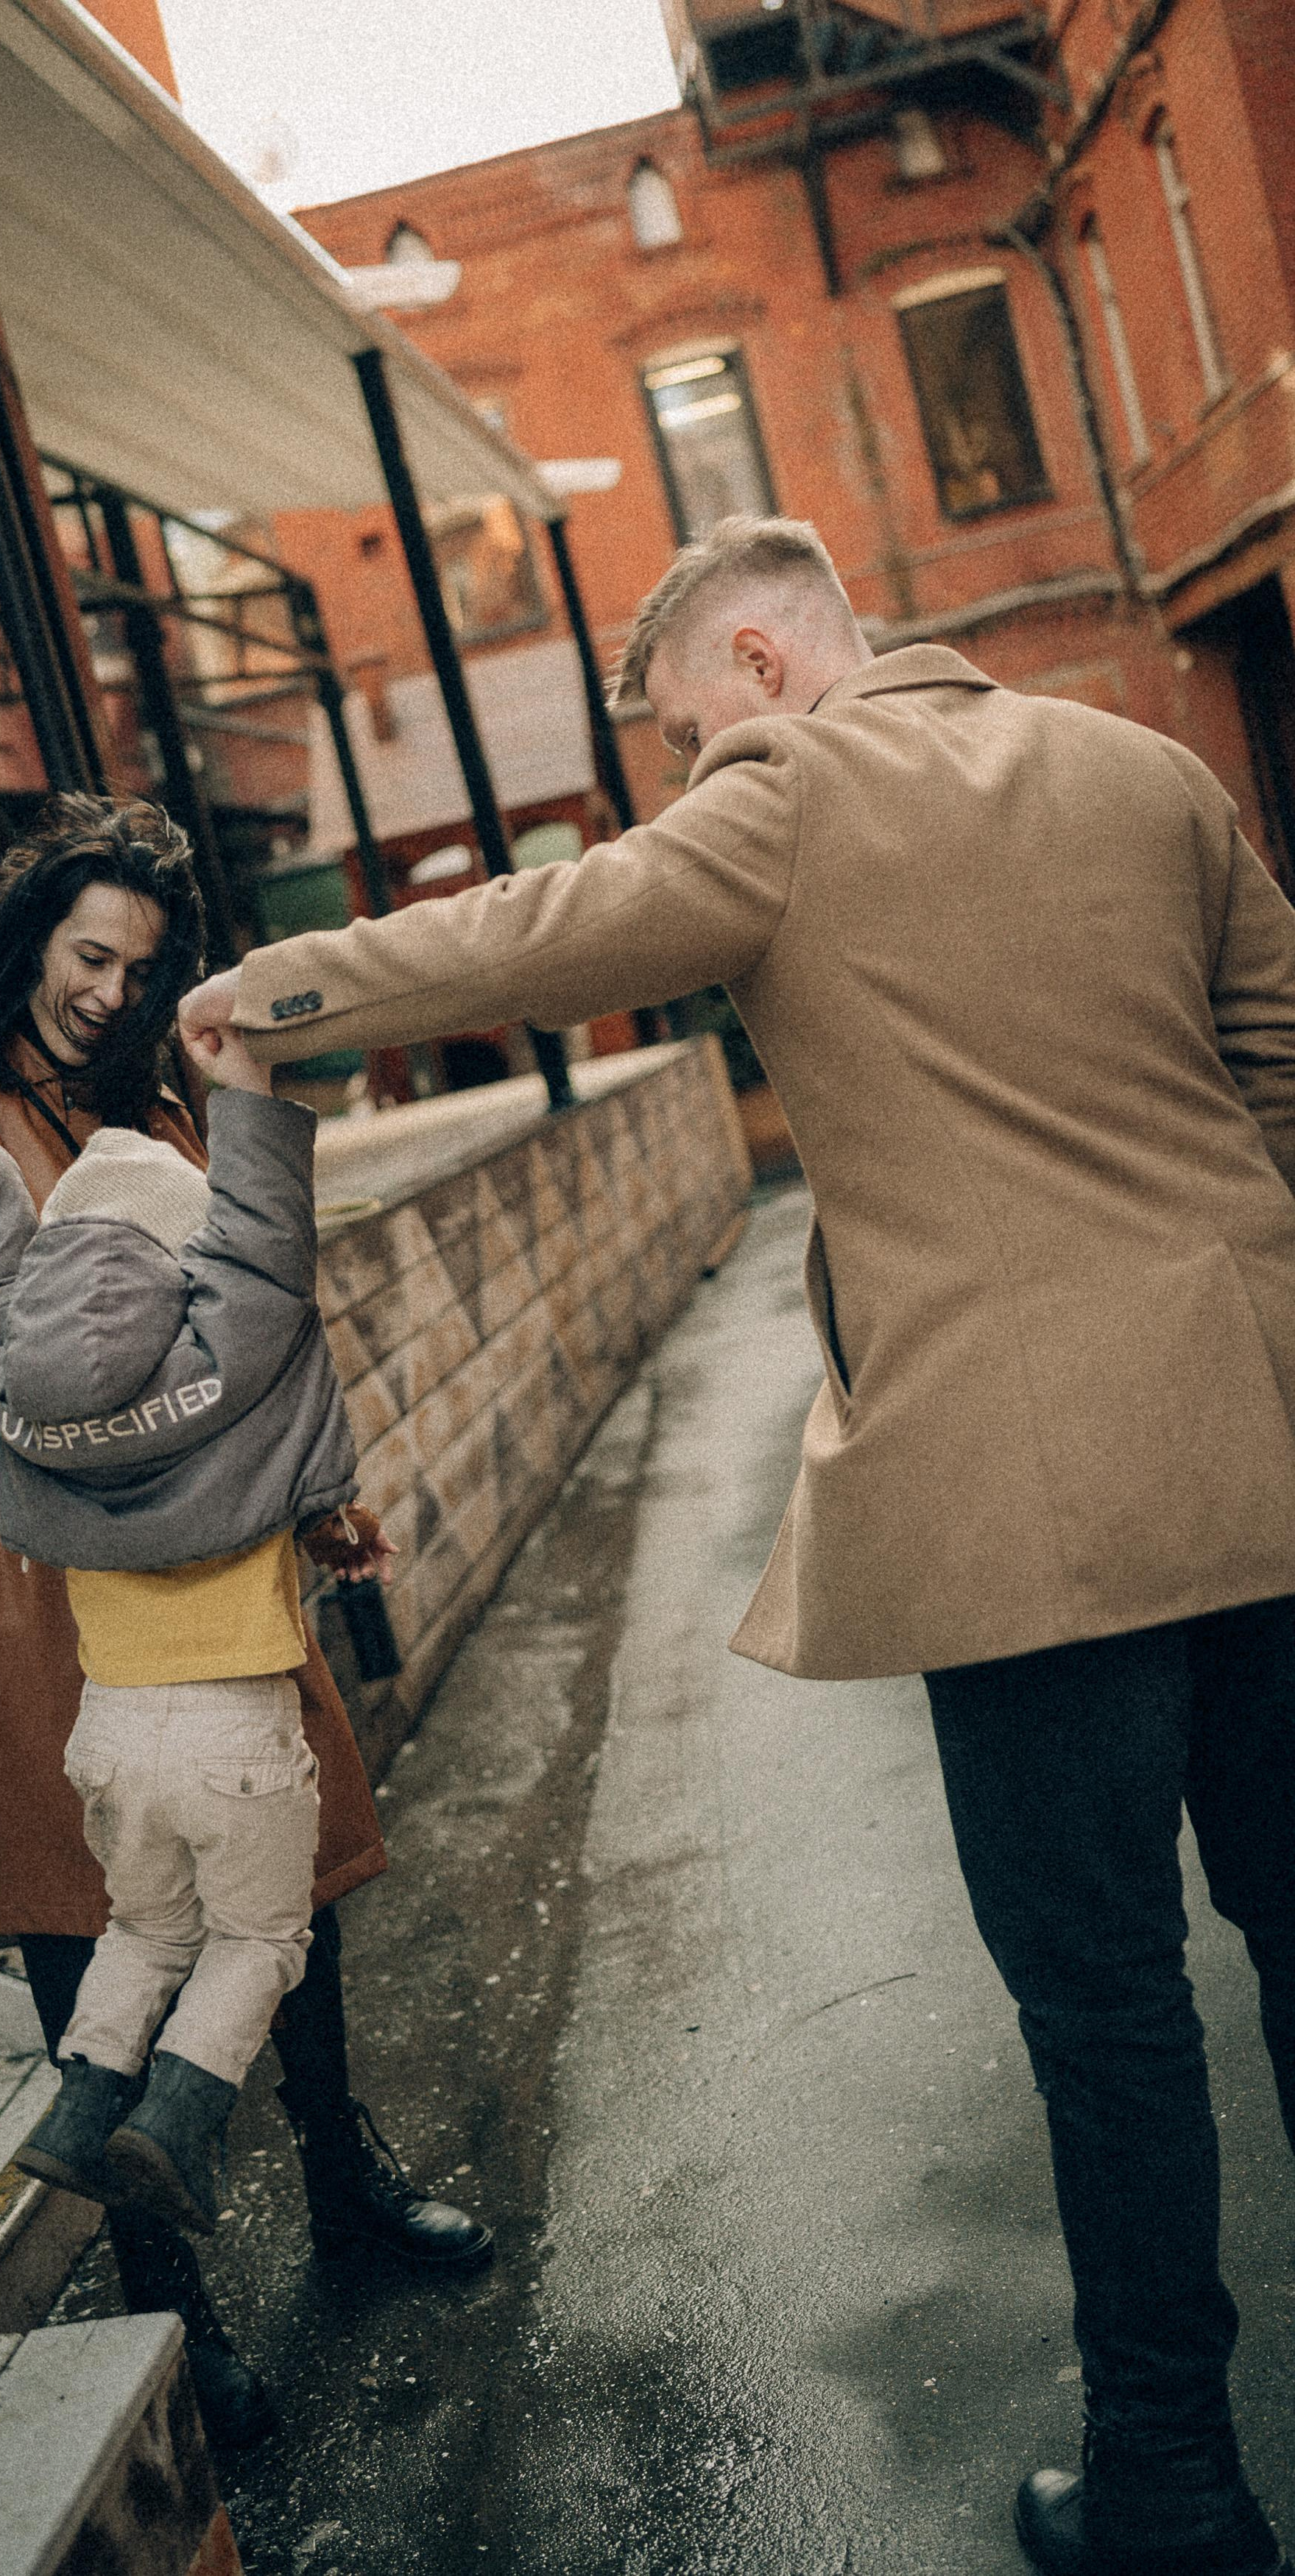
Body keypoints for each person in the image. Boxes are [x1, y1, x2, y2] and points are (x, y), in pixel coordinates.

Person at [181, 517, 1295, 2576]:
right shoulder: (1144, 765)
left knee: (1111, 2017)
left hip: (1021, 1518)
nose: (689, 771)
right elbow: (1281, 1076)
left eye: (689, 729)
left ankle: (1173, 2485)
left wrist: (262, 991)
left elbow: (536, 933)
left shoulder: (779, 792)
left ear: (766, 667)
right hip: (1266, 1451)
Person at [0, 796, 493, 2450]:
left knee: (286, 1863)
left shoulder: (161, 1099)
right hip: (34, 1551)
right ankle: (166, 2295)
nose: (107, 987)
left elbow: (258, 1293)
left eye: (139, 964)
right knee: (98, 1902)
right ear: (30, 944)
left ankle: (343, 2181)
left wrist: (323, 1488)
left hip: (219, 1529)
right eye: (88, 952)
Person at [0, 1020, 392, 2233]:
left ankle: (80, 2112)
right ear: (188, 1271)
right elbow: (271, 1253)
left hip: (110, 1738)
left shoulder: (16, 1395)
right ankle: (176, 2124)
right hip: (234, 1731)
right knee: (260, 1941)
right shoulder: (233, 1374)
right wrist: (250, 1091)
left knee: (145, 1930)